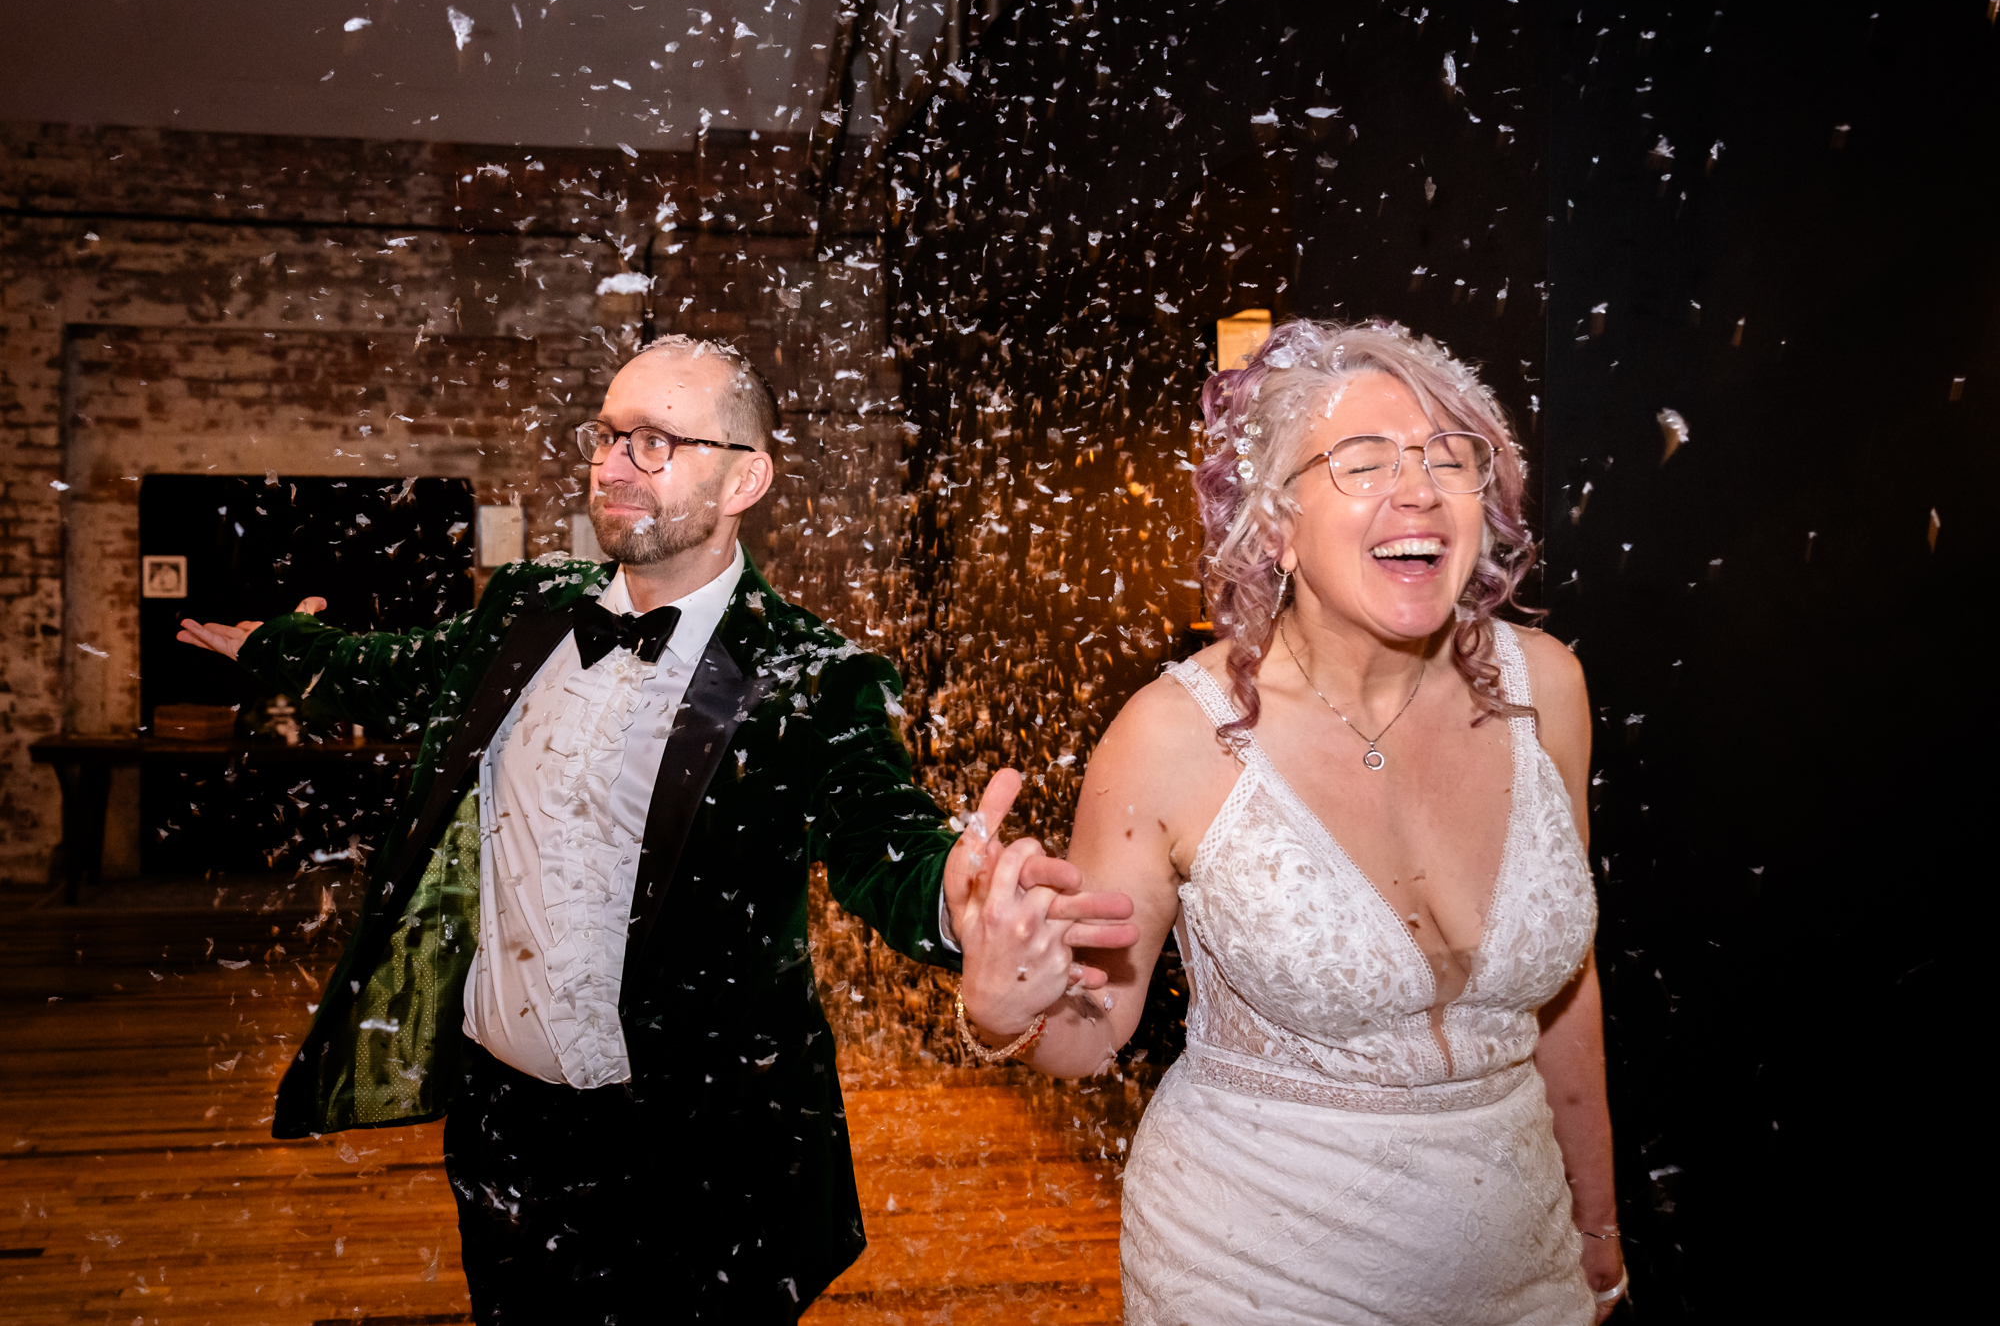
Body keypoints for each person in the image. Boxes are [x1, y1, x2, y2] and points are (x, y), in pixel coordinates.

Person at [176, 334, 1136, 1324]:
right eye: (605, 433)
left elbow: (877, 837)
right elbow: (401, 668)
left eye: (653, 440)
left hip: (700, 1153)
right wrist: (278, 646)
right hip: (503, 1128)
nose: (610, 461)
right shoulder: (525, 608)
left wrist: (958, 895)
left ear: (743, 478)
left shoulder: (809, 672)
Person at [950, 320, 1626, 1324]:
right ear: (1272, 522)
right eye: (1362, 461)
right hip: (1256, 1276)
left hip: (1519, 1272)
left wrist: (1596, 1224)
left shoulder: (1548, 690)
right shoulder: (1168, 739)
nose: (1419, 488)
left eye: (1451, 459)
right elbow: (1093, 1037)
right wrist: (1005, 1009)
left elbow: (1566, 991)